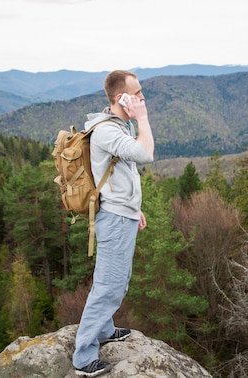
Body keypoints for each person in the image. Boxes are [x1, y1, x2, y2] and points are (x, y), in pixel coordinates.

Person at [73, 70, 154, 377]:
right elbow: (145, 154)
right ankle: (83, 356)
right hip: (116, 219)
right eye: (137, 94)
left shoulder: (118, 125)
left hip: (124, 213)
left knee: (119, 279)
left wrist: (136, 207)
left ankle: (104, 329)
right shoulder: (108, 131)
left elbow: (124, 171)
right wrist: (143, 118)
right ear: (121, 98)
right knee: (108, 286)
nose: (142, 98)